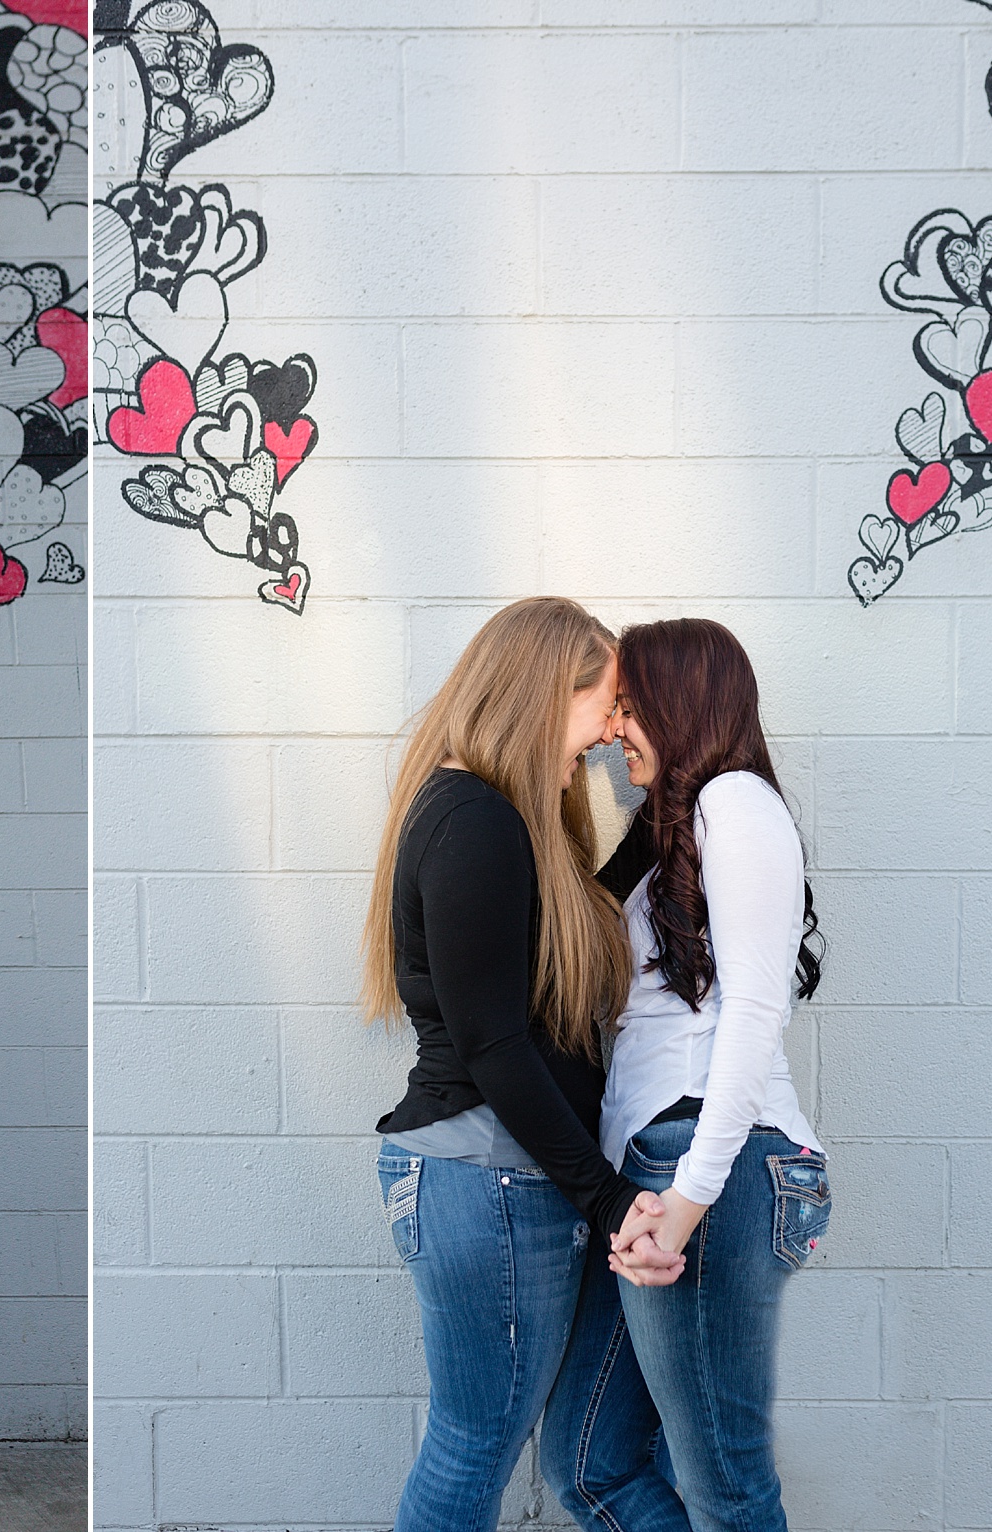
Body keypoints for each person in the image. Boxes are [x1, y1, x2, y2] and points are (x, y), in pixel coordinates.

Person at [362, 596, 681, 1532]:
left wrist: (672, 808)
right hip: (489, 1176)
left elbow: (573, 922)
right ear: (550, 692)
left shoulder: (497, 818)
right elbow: (494, 1045)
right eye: (610, 703)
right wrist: (611, 1199)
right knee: (475, 1443)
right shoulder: (474, 822)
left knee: (508, 1444)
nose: (616, 727)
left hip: (503, 1176)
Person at [540, 617, 830, 1532]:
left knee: (727, 1487)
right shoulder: (674, 826)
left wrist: (687, 1204)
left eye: (628, 709)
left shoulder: (736, 804)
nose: (614, 729)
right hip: (655, 1171)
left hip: (712, 1168)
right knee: (587, 1463)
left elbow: (750, 1014)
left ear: (678, 705)